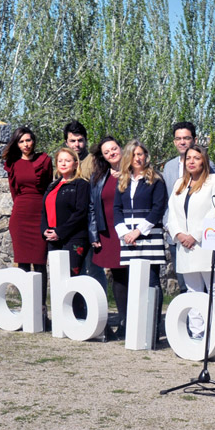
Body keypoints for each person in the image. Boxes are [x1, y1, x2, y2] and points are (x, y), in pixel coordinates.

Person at [167, 145, 215, 341]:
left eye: (196, 158)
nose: (191, 161)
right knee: (192, 292)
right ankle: (197, 333)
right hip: (185, 246)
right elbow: (172, 213)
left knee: (214, 289)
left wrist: (195, 235)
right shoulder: (179, 183)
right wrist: (179, 234)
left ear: (205, 161)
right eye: (188, 158)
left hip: (207, 242)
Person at [113, 140, 168, 346]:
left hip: (148, 235)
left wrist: (138, 231)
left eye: (141, 154)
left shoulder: (156, 180)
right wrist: (124, 233)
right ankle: (137, 328)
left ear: (146, 156)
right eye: (134, 154)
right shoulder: (123, 180)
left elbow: (158, 208)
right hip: (128, 238)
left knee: (151, 282)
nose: (138, 158)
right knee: (134, 283)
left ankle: (153, 329)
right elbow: (116, 209)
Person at [41, 147, 91, 319]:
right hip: (53, 238)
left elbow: (80, 213)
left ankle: (78, 316)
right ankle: (62, 318)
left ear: (75, 164)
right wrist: (45, 230)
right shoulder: (53, 185)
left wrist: (60, 232)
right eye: (60, 160)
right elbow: (44, 211)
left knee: (72, 277)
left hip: (74, 238)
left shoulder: (81, 185)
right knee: (57, 279)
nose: (63, 163)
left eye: (67, 160)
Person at [88, 136, 126, 340]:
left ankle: (141, 321)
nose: (112, 153)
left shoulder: (133, 171)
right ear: (103, 156)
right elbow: (92, 207)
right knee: (118, 277)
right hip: (108, 232)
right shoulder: (99, 177)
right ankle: (124, 321)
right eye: (107, 152)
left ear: (121, 148)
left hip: (129, 231)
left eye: (114, 148)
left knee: (134, 276)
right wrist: (94, 233)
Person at [3, 126, 52, 276]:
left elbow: (48, 189)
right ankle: (25, 292)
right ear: (17, 144)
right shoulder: (13, 164)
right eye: (21, 141)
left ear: (33, 141)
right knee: (22, 264)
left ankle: (41, 293)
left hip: (40, 215)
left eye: (28, 140)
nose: (26, 144)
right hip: (20, 217)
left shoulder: (44, 160)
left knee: (40, 263)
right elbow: (14, 191)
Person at [65, 120, 104, 290]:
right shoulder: (62, 161)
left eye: (80, 140)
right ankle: (77, 302)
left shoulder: (94, 161)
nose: (77, 144)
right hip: (70, 222)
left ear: (86, 140)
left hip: (90, 221)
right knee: (74, 267)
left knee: (94, 266)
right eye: (72, 141)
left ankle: (100, 301)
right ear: (66, 142)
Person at [162, 121, 197, 291]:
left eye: (186, 138)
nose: (182, 142)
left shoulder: (207, 165)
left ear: (194, 140)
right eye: (178, 139)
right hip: (175, 235)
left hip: (197, 236)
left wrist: (195, 234)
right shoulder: (169, 167)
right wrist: (171, 228)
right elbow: (166, 201)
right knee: (183, 284)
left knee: (202, 285)